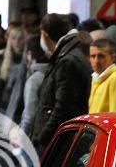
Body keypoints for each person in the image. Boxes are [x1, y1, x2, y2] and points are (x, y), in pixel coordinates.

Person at [31, 13, 91, 151]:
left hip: (58, 143)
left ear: (45, 35)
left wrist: (42, 137)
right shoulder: (74, 52)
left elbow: (62, 107)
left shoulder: (67, 60)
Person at [0, 25, 26, 122]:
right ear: (9, 40)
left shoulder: (29, 60)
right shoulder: (3, 60)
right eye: (14, 38)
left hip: (21, 109)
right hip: (4, 107)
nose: (17, 42)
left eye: (20, 38)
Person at [88, 38, 116, 113]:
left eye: (101, 56)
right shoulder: (96, 78)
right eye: (93, 56)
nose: (96, 61)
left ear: (112, 57)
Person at [20, 36, 49, 134]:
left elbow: (29, 114)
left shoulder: (34, 80)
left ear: (30, 54)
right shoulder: (53, 73)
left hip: (33, 135)